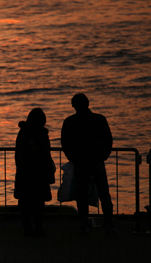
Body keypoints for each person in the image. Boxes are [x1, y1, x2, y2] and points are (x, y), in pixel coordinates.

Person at [61, 93, 116, 235]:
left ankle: (85, 225)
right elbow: (108, 139)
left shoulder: (70, 122)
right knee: (104, 193)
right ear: (88, 103)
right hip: (97, 161)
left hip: (80, 162)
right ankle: (109, 224)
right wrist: (104, 155)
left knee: (82, 195)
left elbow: (65, 143)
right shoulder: (99, 119)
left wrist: (72, 157)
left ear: (74, 106)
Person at [14, 108, 55, 237]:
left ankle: (27, 229)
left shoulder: (22, 133)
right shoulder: (42, 134)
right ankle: (38, 228)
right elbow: (45, 155)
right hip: (39, 173)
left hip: (24, 173)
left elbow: (18, 154)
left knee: (24, 202)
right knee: (38, 202)